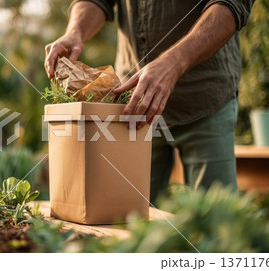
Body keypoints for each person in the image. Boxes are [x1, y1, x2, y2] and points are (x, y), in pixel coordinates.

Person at [44, 0, 254, 203]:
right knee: (123, 216)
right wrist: (75, 31)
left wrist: (173, 63)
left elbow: (232, 3)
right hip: (133, 108)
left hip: (204, 98)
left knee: (217, 224)